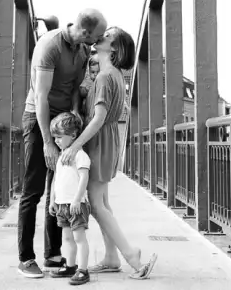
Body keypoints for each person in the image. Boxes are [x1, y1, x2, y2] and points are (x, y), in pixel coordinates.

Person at [60, 26, 157, 280]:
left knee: (95, 204)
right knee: (102, 203)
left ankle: (131, 255)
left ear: (113, 48)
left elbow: (99, 117)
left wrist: (75, 145)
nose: (101, 35)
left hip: (99, 142)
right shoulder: (112, 75)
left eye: (108, 35)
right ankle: (112, 257)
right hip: (108, 140)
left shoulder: (104, 77)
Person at [17, 9, 107, 278]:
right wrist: (47, 142)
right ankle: (25, 258)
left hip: (63, 122)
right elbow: (41, 97)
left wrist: (77, 112)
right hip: (38, 119)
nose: (99, 41)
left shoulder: (80, 51)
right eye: (98, 36)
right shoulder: (49, 45)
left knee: (58, 188)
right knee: (33, 190)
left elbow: (74, 90)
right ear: (86, 32)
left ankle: (53, 254)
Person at [48, 113, 92, 285]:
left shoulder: (80, 155)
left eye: (59, 137)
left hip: (76, 205)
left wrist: (77, 199)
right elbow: (55, 180)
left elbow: (84, 178)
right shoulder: (61, 156)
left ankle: (83, 270)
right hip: (61, 205)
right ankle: (71, 266)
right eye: (54, 138)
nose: (56, 141)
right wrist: (52, 200)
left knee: (79, 239)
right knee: (67, 238)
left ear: (73, 135)